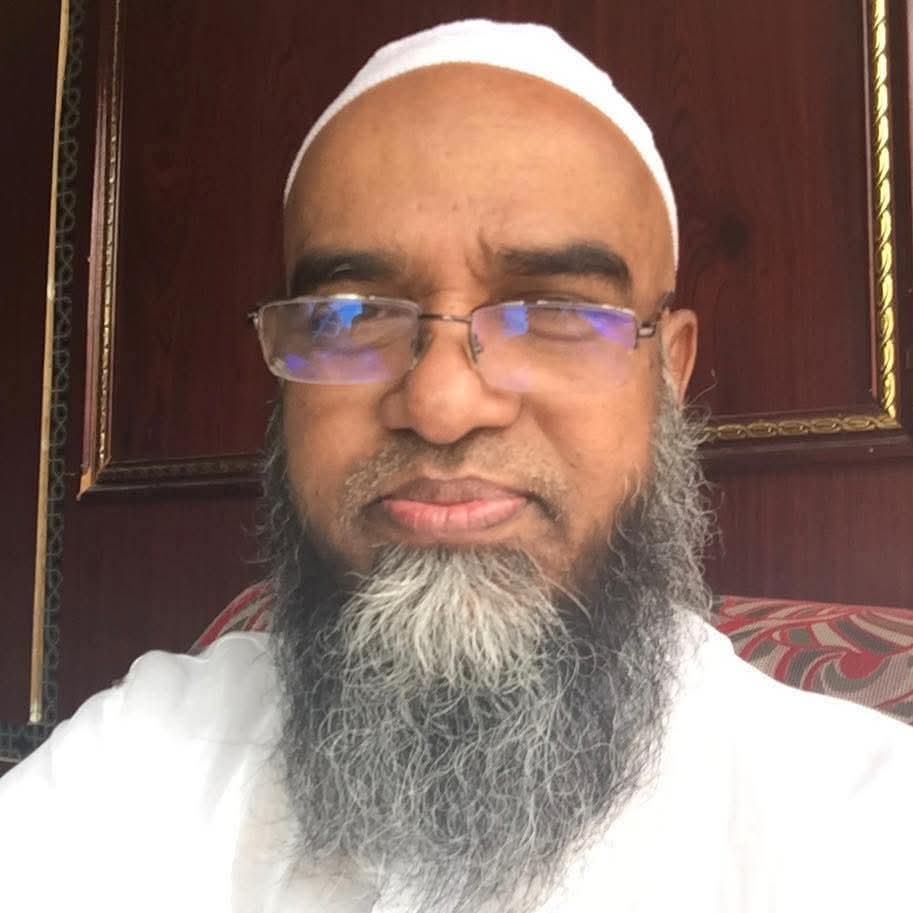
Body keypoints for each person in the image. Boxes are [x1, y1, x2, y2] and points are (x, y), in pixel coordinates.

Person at [2, 19, 911, 913]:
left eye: (555, 312)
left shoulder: (857, 830)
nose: (441, 404)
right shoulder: (142, 760)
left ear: (667, 376)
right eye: (351, 316)